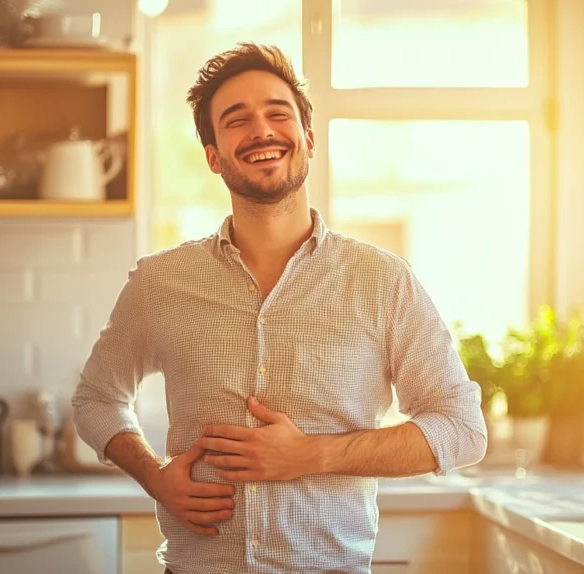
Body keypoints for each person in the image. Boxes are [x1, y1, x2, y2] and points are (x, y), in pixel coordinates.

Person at [70, 42, 487, 574]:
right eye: (236, 119)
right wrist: (154, 475)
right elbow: (96, 399)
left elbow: (462, 428)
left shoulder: (383, 281)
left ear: (308, 139)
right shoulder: (162, 283)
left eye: (277, 113)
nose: (261, 131)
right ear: (214, 155)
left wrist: (313, 454)